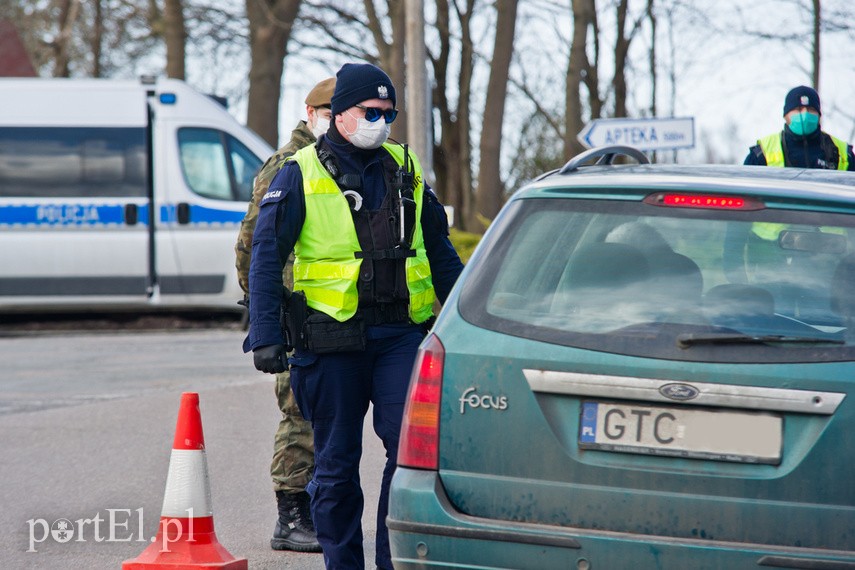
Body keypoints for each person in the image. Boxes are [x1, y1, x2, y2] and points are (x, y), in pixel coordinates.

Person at [244, 62, 463, 570]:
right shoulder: (299, 171)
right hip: (329, 341)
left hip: (399, 337)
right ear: (341, 114)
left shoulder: (405, 167)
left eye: (388, 113)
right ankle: (343, 563)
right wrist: (265, 333)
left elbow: (441, 250)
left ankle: (391, 560)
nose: (381, 121)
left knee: (406, 455)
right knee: (337, 465)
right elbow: (266, 255)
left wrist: (462, 318)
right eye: (371, 111)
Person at [234, 77, 336, 554]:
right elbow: (253, 246)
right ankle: (291, 517)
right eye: (333, 113)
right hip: (295, 313)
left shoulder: (333, 161)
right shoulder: (288, 165)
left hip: (331, 312)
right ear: (312, 113)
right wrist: (264, 313)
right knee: (300, 415)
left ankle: (316, 511)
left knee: (324, 416)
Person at [744, 85, 855, 170]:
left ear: (819, 115)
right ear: (786, 116)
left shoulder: (844, 154)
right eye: (798, 109)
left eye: (811, 110)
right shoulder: (761, 153)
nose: (805, 114)